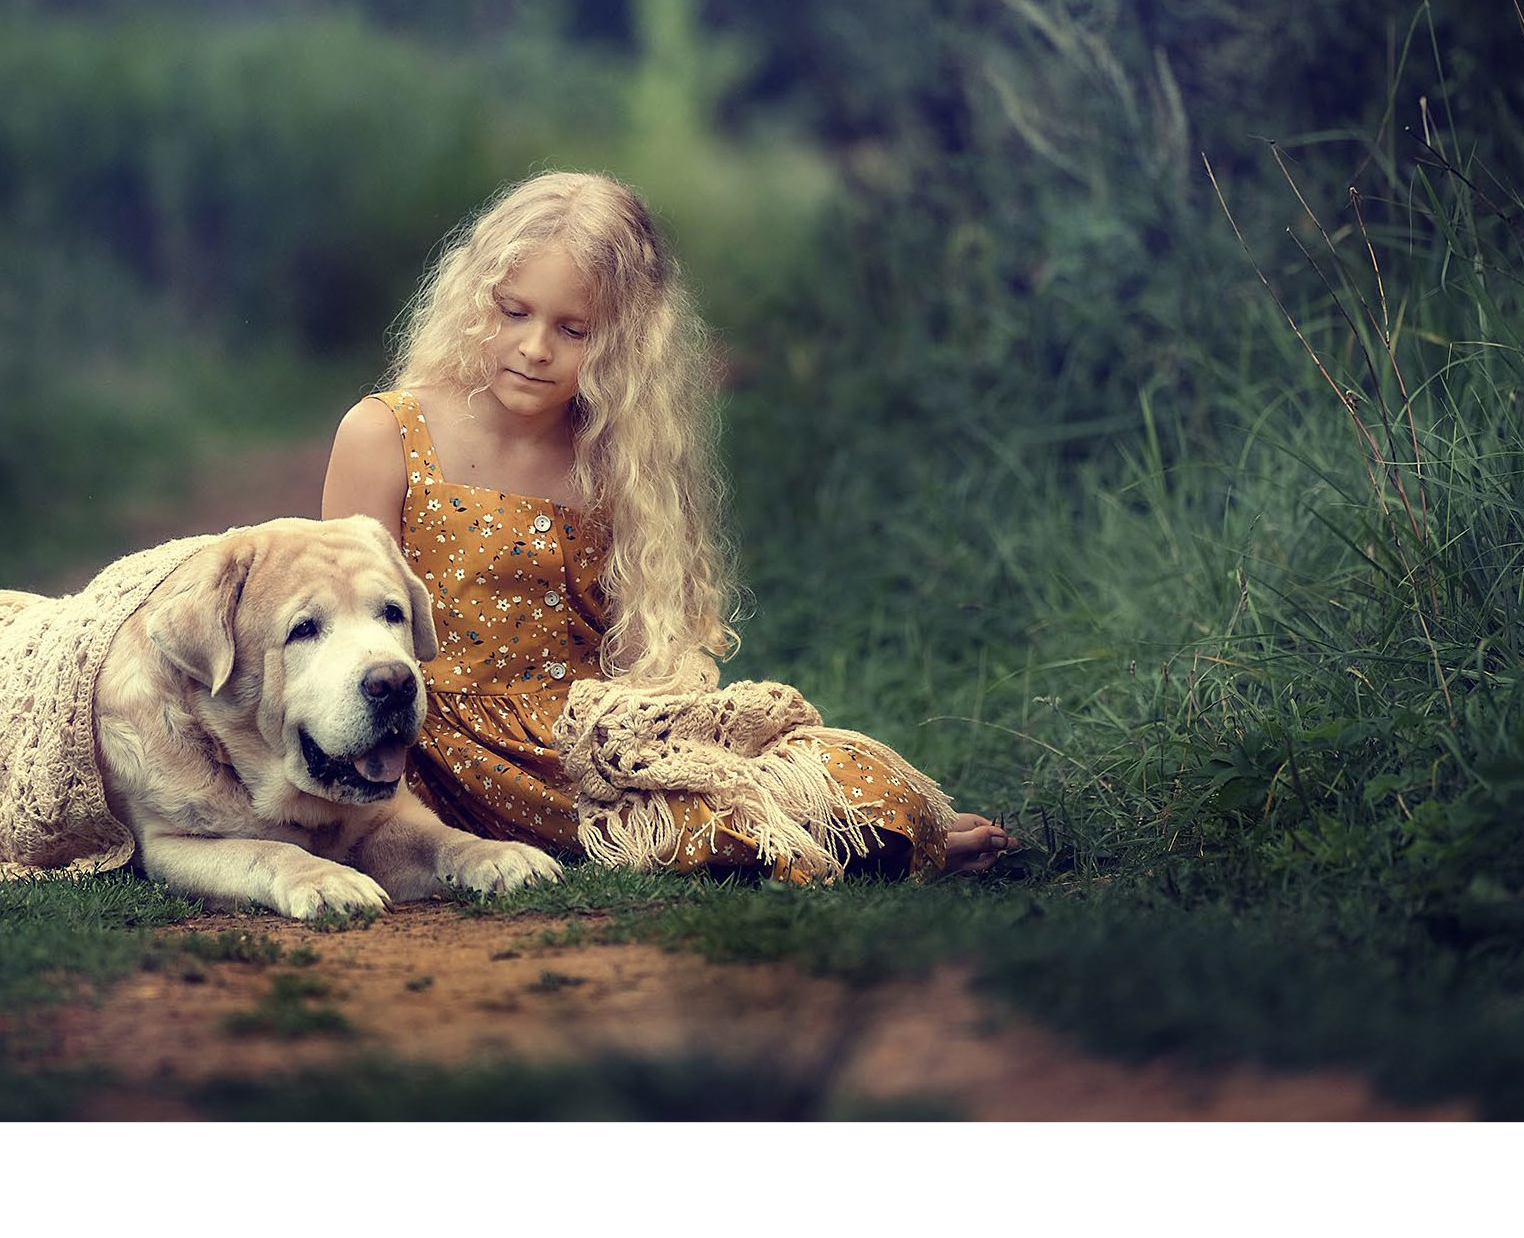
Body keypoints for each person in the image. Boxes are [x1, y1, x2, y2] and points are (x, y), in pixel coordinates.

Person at [321, 170, 1014, 883]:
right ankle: (879, 845)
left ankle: (878, 820)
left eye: (573, 330)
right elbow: (344, 632)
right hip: (440, 745)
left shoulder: (614, 458)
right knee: (689, 818)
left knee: (829, 774)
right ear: (474, 302)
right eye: (513, 312)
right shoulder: (387, 433)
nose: (534, 348)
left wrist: (662, 739)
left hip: (588, 736)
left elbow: (635, 649)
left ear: (624, 342)